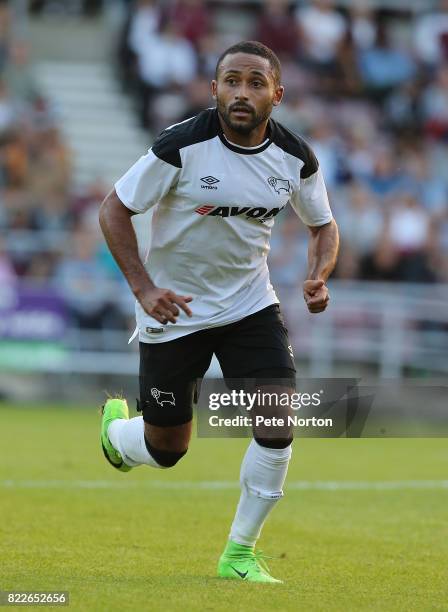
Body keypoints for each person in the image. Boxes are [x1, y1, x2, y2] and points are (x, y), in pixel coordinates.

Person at [99, 40, 339, 583]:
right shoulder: (180, 147)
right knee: (168, 448)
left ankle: (239, 554)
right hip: (173, 311)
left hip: (250, 306)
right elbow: (114, 208)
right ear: (214, 90)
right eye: (231, 80)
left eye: (256, 83)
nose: (241, 92)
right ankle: (119, 437)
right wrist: (143, 287)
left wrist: (318, 274)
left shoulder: (295, 157)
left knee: (276, 423)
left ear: (277, 95)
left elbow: (323, 224)